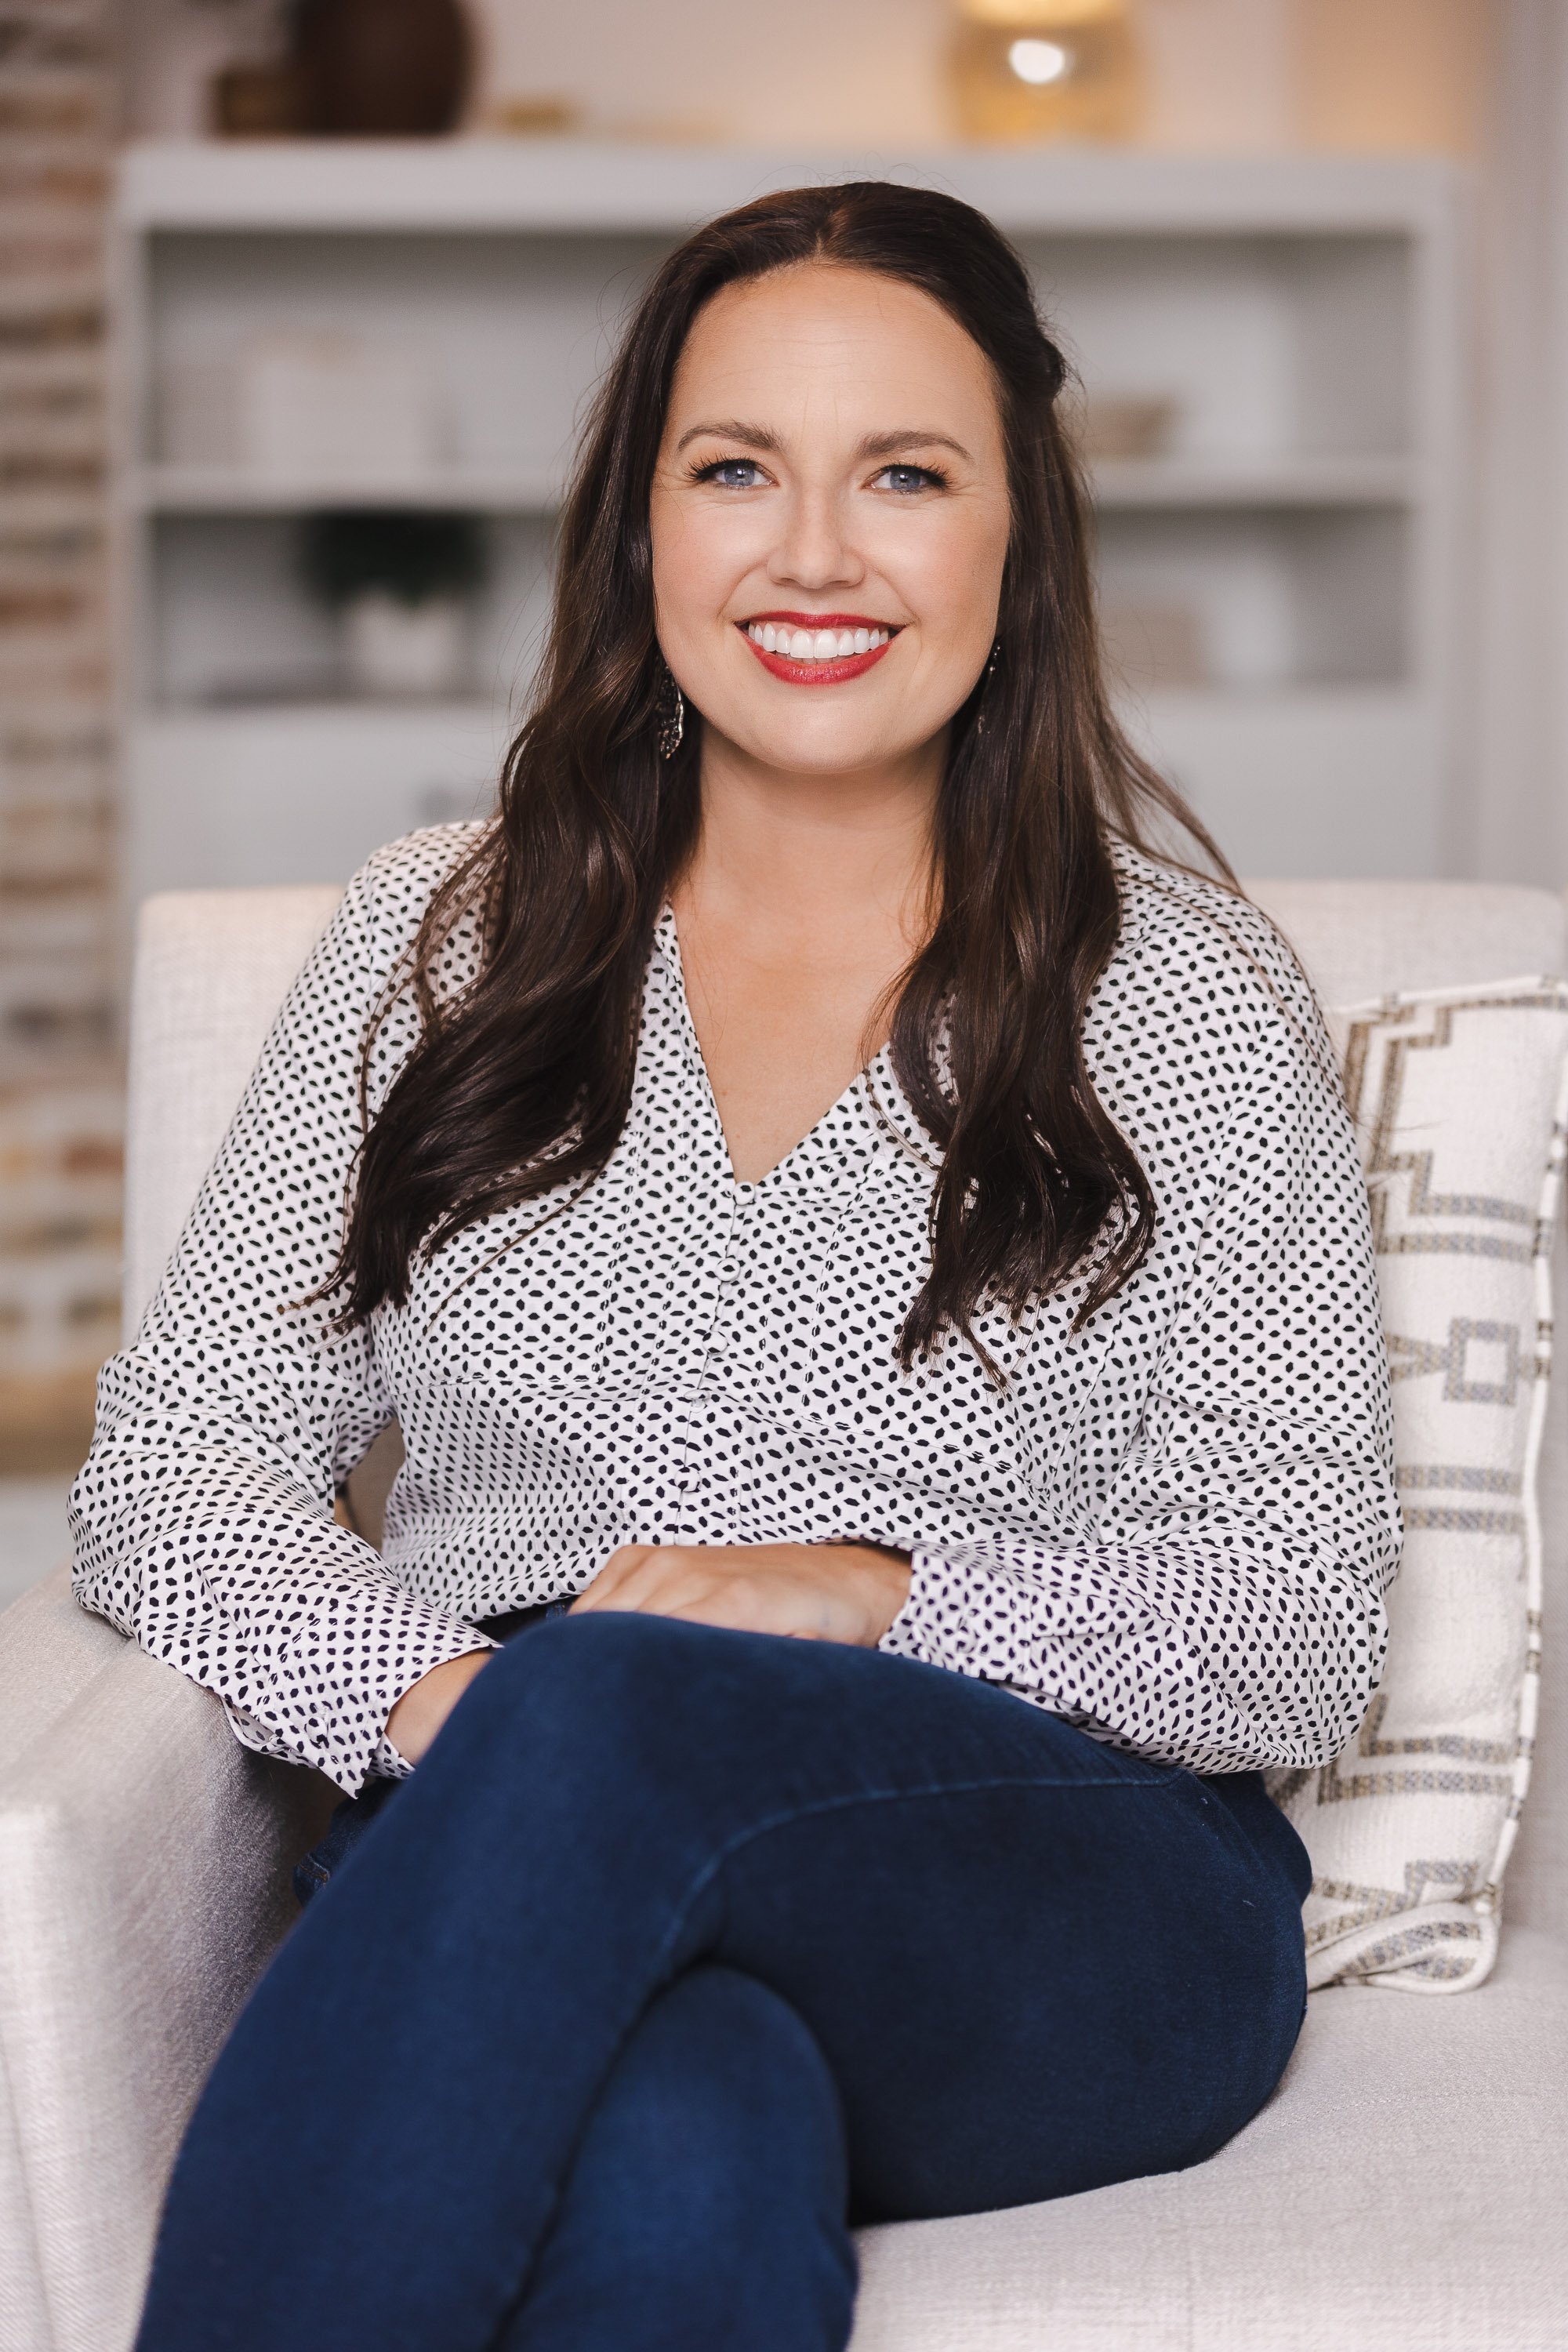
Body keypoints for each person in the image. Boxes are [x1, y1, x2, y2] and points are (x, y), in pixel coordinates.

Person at [71, 181, 1399, 2352]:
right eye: (734, 472)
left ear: (1013, 543)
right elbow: (175, 1471)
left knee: (616, 1750)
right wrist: (474, 1723)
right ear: (641, 531)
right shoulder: (443, 941)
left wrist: (868, 1587)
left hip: (1062, 1894)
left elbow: (1293, 1627)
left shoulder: (1186, 1002)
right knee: (685, 2143)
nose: (810, 555)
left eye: (903, 475)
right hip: (523, 1824)